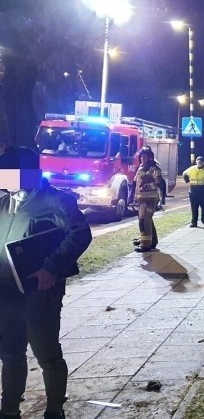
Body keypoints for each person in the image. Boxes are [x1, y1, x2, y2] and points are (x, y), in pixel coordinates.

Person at [0, 146, 92, 419]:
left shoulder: (55, 200)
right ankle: (9, 409)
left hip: (38, 293)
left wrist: (50, 268)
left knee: (46, 353)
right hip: (5, 294)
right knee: (10, 354)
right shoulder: (4, 203)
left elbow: (79, 233)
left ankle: (54, 410)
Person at [133, 148, 164, 252]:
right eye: (141, 157)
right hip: (141, 199)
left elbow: (158, 182)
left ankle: (145, 245)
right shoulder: (141, 168)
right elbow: (136, 183)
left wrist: (146, 186)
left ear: (150, 157)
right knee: (147, 220)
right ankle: (151, 241)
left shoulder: (154, 168)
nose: (143, 159)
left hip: (150, 198)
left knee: (144, 220)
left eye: (145, 157)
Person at [182, 156, 204, 228]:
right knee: (194, 207)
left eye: (201, 162)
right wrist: (186, 180)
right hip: (193, 189)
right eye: (198, 161)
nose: (199, 163)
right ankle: (194, 222)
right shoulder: (192, 169)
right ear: (196, 162)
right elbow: (184, 173)